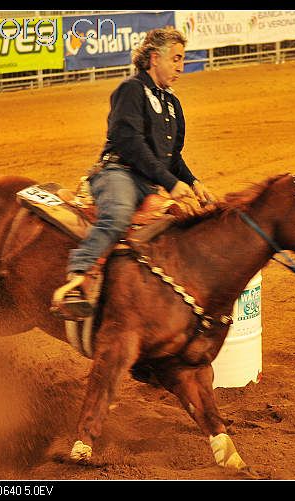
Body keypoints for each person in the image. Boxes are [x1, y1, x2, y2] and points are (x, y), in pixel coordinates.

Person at [52, 27, 216, 320]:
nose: (181, 66)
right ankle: (78, 277)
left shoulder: (171, 102)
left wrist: (192, 181)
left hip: (148, 181)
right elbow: (129, 142)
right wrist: (169, 182)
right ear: (155, 58)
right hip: (118, 172)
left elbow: (171, 155)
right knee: (117, 213)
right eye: (175, 59)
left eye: (182, 59)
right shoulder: (131, 89)